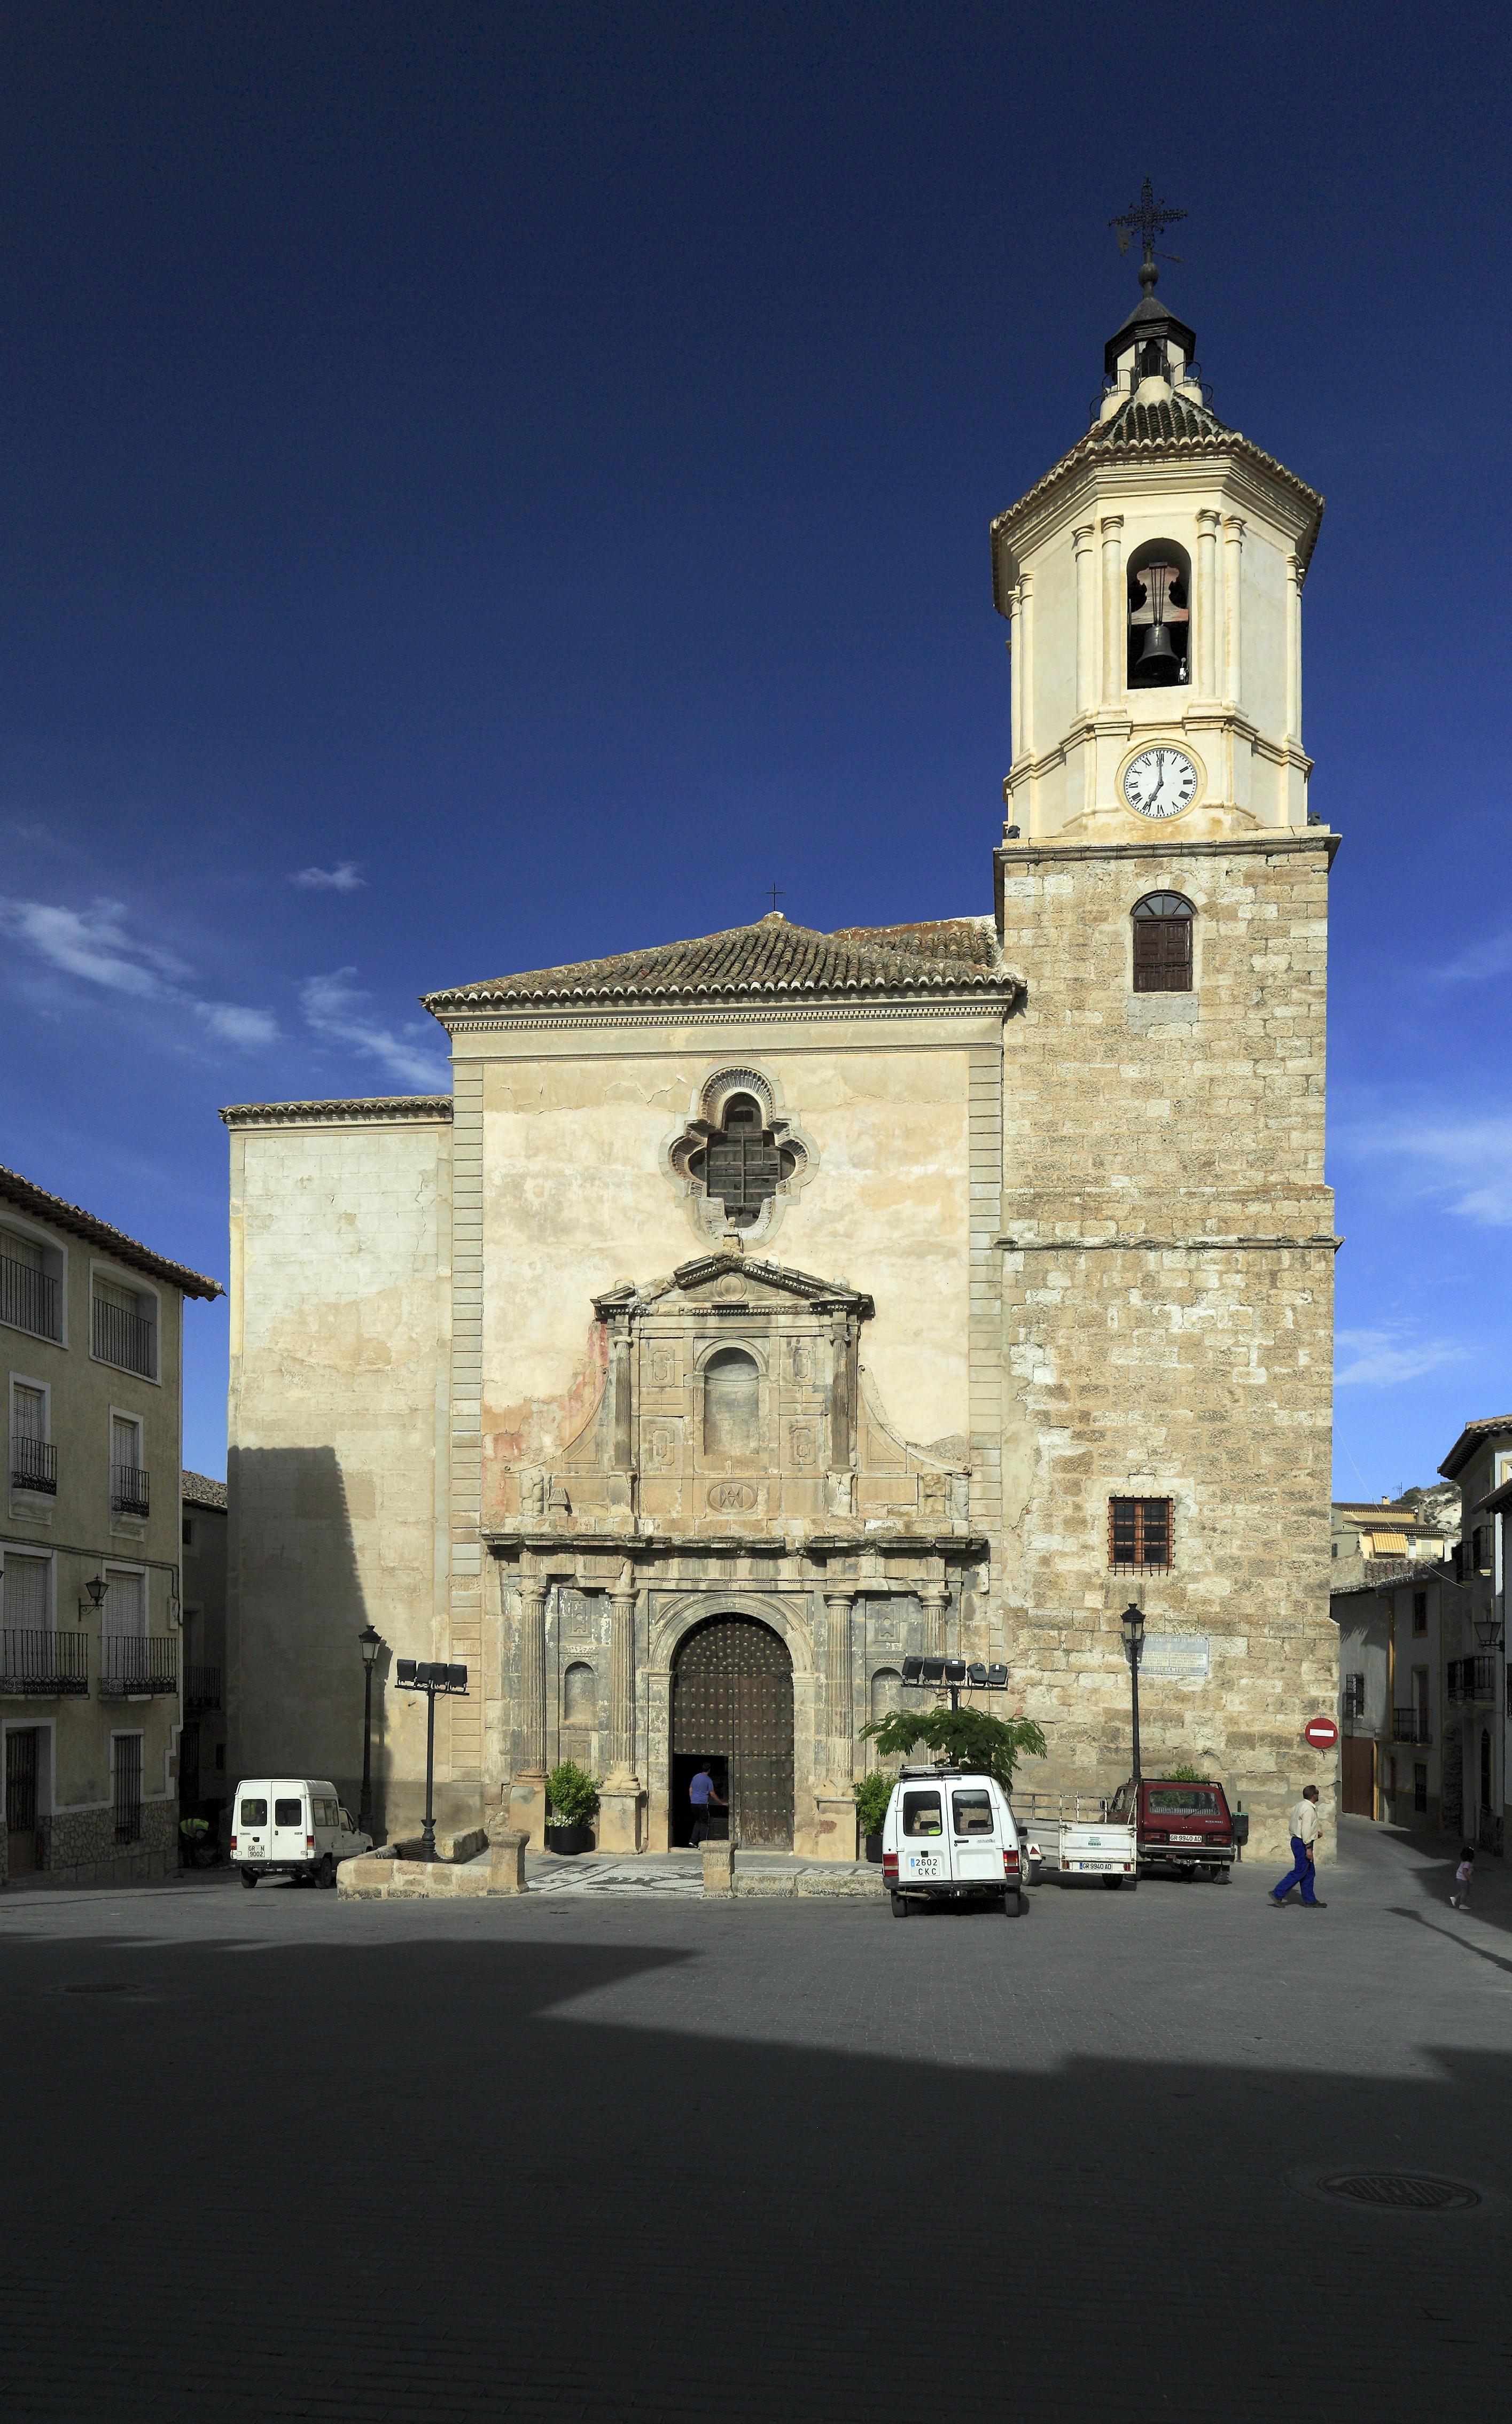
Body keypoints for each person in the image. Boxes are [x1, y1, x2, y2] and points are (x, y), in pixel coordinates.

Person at [1270, 1783, 1326, 1907]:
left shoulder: (1300, 1805)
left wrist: (1315, 1833)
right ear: (1313, 1795)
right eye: (1317, 1792)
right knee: (1300, 1871)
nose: (1318, 1795)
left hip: (1297, 1840)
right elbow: (1305, 1829)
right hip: (1303, 1843)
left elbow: (1299, 1825)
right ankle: (1278, 1893)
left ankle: (1310, 1900)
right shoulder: (1308, 1809)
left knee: (1309, 1872)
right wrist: (1308, 1848)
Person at [688, 1764, 728, 1848]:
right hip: (702, 1804)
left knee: (698, 1821)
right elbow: (712, 1794)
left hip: (694, 1803)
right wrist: (722, 1803)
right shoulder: (708, 1780)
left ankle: (693, 1841)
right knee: (705, 1823)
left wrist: (693, 1799)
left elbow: (690, 1790)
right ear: (709, 1770)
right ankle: (702, 1843)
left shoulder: (695, 1777)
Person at [1450, 1844, 1475, 1909]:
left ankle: (1455, 1898)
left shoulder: (1464, 1862)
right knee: (1465, 1891)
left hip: (1460, 1878)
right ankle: (1462, 1904)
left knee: (1466, 1891)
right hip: (1463, 1879)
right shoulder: (1467, 1863)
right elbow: (1465, 1871)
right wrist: (1470, 1879)